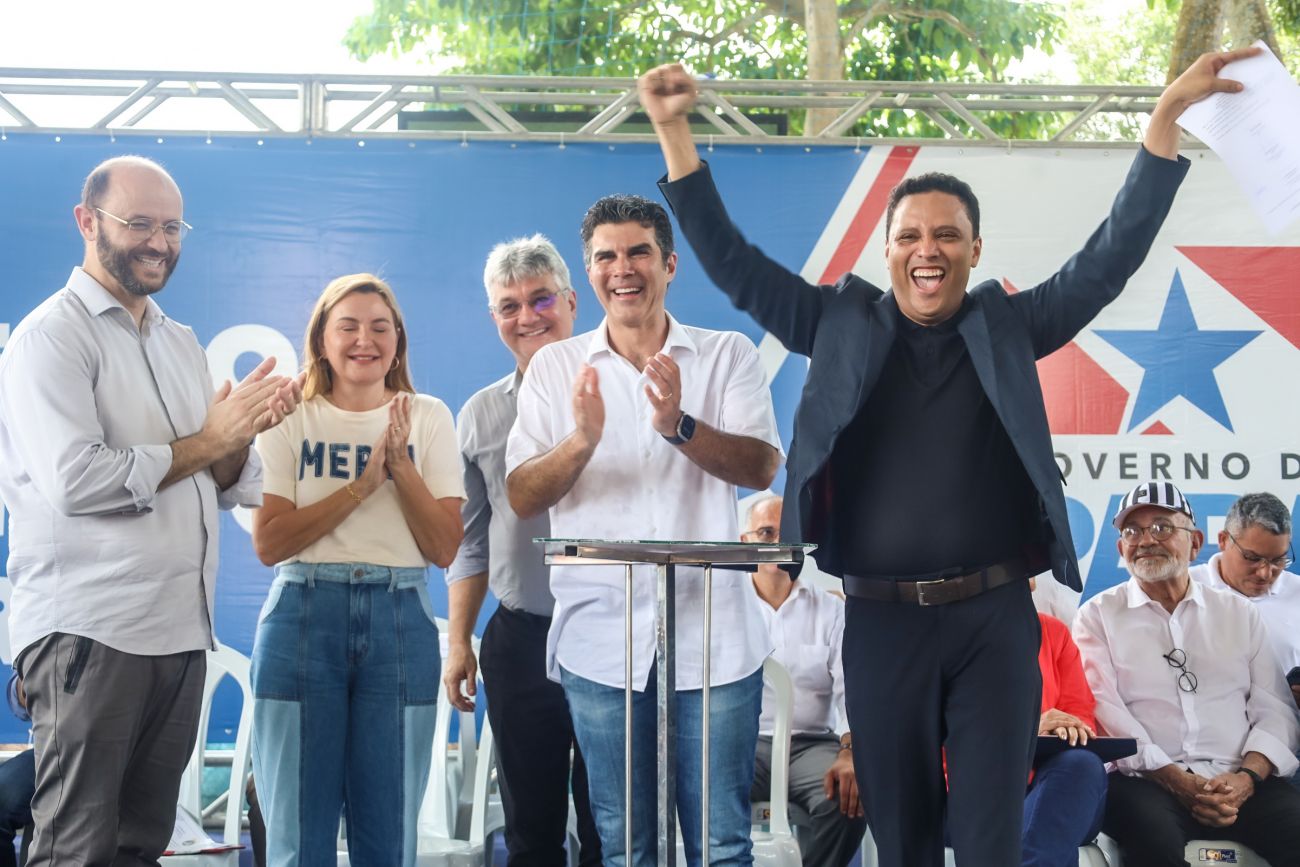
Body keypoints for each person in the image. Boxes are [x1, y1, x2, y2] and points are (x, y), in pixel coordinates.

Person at [636, 48, 1257, 867]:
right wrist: (674, 132)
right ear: (888, 249)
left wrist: (1164, 119)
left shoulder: (1009, 326)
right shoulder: (838, 323)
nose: (926, 250)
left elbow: (1109, 258)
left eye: (946, 235)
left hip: (992, 623)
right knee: (905, 844)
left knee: (993, 839)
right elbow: (735, 265)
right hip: (881, 623)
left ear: (974, 248)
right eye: (910, 235)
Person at [0, 155, 301, 865]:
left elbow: (213, 477)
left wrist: (238, 434)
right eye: (139, 223)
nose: (159, 243)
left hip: (177, 634)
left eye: (172, 227)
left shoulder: (179, 341)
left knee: (141, 845)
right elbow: (77, 481)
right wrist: (209, 440)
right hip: (90, 632)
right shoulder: (50, 337)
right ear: (87, 222)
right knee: (76, 847)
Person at [505, 194, 782, 867]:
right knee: (626, 846)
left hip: (715, 643)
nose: (622, 269)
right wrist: (581, 441)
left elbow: (760, 464)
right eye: (607, 256)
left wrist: (677, 425)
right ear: (589, 271)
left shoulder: (726, 355)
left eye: (639, 253)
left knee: (722, 845)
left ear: (670, 264)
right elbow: (521, 494)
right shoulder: (554, 368)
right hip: (601, 642)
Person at [250, 273, 465, 865]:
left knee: (389, 836)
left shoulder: (427, 417)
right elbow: (270, 542)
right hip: (301, 616)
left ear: (398, 341)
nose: (364, 340)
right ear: (321, 340)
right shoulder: (290, 415)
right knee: (297, 838)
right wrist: (361, 488)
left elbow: (444, 548)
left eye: (379, 327)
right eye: (347, 327)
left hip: (400, 618)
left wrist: (401, 467)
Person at [443, 235, 601, 867]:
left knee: (613, 832)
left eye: (541, 300)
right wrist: (460, 640)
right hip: (520, 640)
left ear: (572, 302)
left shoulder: (623, 390)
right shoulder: (481, 414)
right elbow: (470, 543)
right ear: (494, 319)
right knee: (531, 837)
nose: (527, 317)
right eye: (510, 306)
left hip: (614, 635)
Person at [1073, 482, 1300, 867]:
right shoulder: (1097, 617)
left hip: (1237, 778)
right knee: (1153, 841)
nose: (1146, 540)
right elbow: (1106, 714)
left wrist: (1247, 778)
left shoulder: (1238, 614)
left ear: (1195, 543)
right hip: (1145, 781)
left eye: (1161, 527)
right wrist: (1175, 779)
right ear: (1121, 549)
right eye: (1132, 531)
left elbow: (1275, 709)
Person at [742, 495, 866, 867]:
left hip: (812, 747)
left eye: (787, 533)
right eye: (766, 532)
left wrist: (851, 752)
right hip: (743, 745)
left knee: (848, 796)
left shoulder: (831, 610)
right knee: (706, 791)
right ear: (745, 541)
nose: (778, 542)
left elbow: (850, 690)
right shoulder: (726, 608)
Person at [1188, 492, 1299, 702]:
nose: (1265, 573)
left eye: (1278, 560)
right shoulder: (1183, 589)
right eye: (1252, 558)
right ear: (1223, 540)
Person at [1022, 598, 1107, 867]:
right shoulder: (944, 635)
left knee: (1082, 763)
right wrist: (1028, 730)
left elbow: (1079, 715)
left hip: (1055, 789)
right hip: (972, 795)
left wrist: (1065, 728)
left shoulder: (1052, 631)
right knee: (1050, 830)